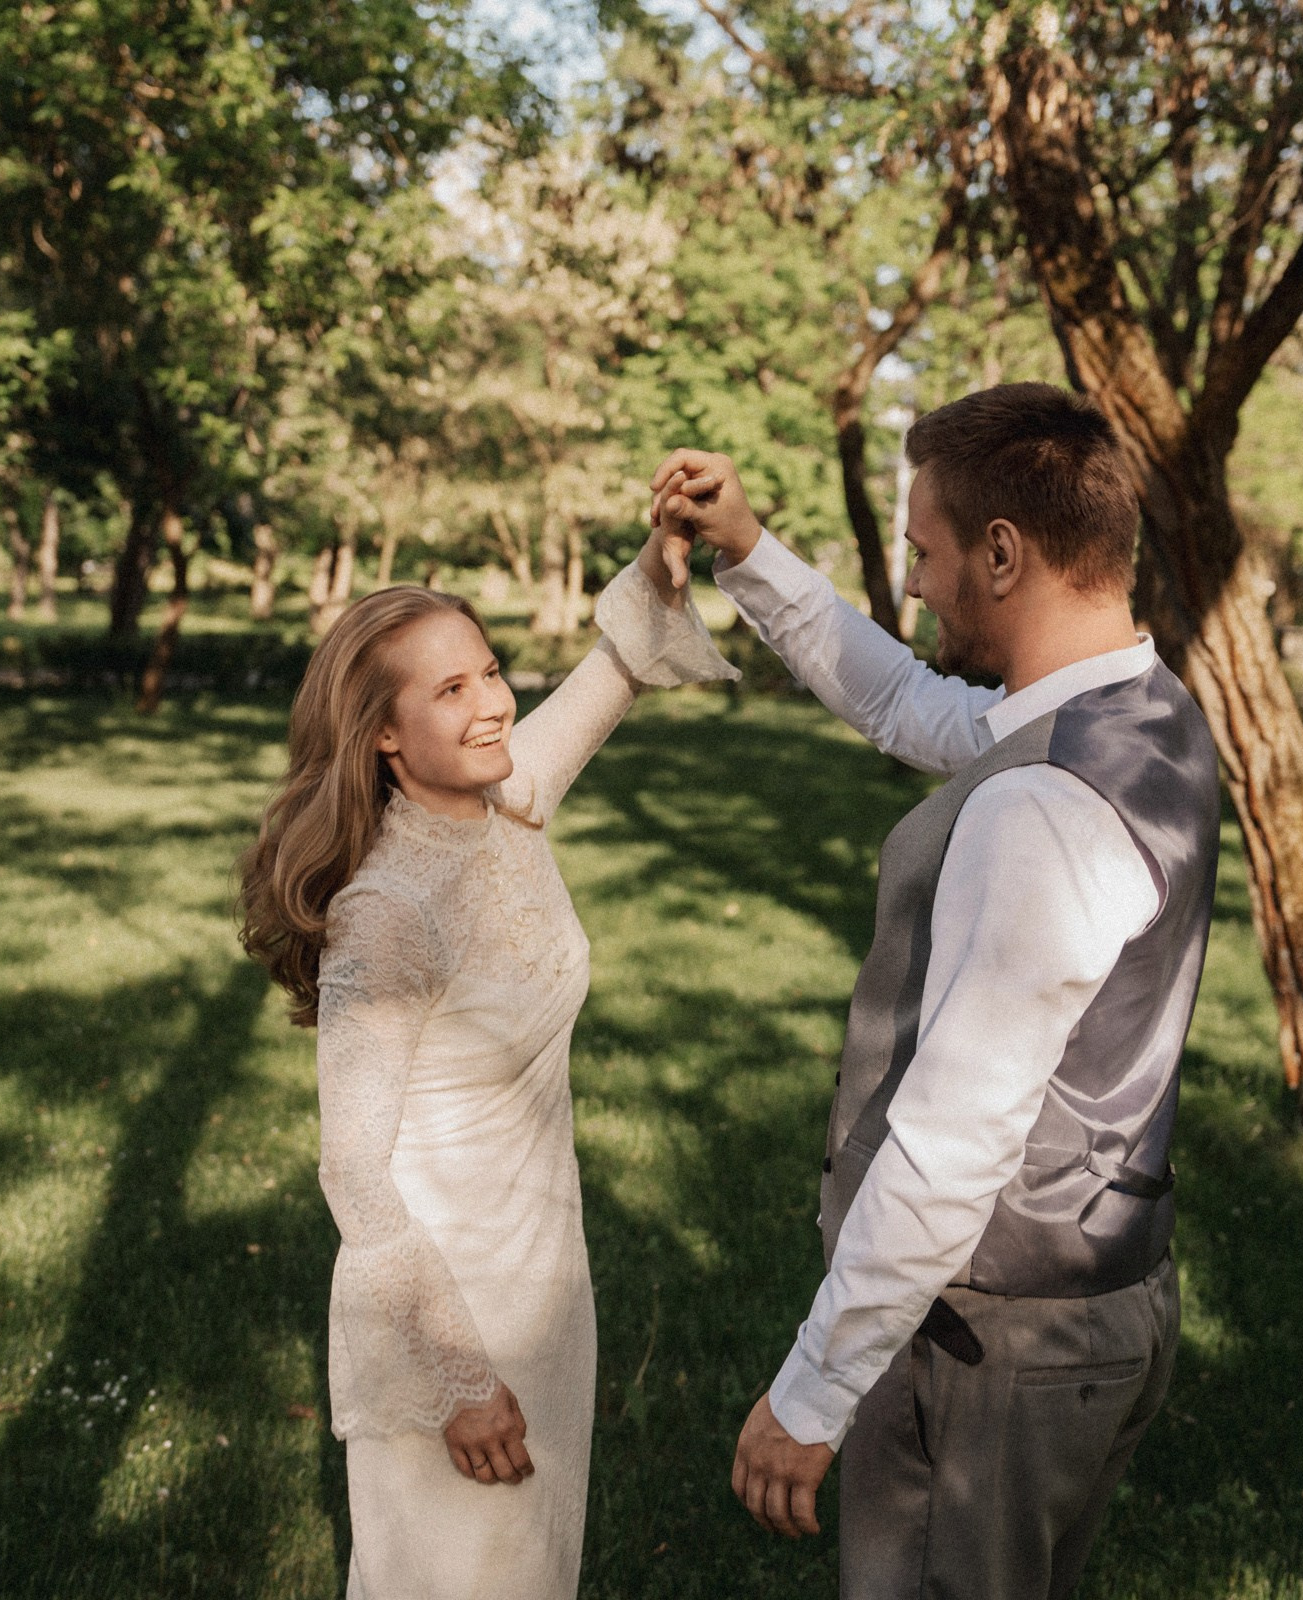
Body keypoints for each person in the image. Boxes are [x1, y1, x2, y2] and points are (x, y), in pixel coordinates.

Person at [651, 383, 1221, 1599]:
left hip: (993, 1351)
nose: (913, 581)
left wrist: (811, 1394)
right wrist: (748, 553)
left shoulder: (1042, 811)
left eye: (924, 552)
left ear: (1003, 554)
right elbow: (911, 700)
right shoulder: (1144, 710)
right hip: (1102, 1309)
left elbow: (951, 1146)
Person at [237, 526, 734, 1599]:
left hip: (548, 1282)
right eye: (450, 689)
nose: (495, 703)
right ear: (382, 737)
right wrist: (457, 1378)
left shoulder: (506, 803)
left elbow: (611, 675)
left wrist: (660, 570)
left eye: (494, 670)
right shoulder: (386, 915)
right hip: (446, 1311)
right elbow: (354, 1173)